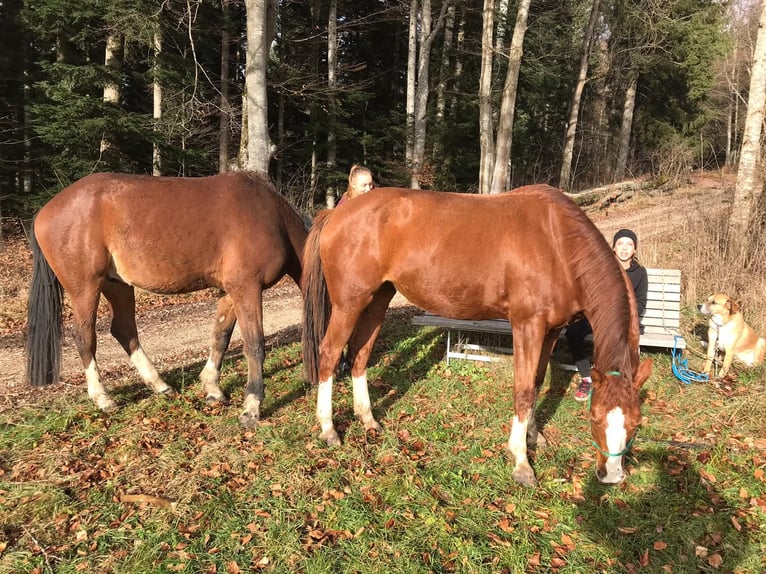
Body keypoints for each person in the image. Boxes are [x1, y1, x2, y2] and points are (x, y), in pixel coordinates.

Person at [567, 228, 648, 401]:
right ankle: (587, 378)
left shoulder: (640, 273)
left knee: (615, 339)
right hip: (598, 318)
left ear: (635, 249)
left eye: (629, 244)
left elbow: (640, 304)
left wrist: (622, 316)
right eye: (620, 243)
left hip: (624, 322)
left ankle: (619, 381)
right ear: (613, 248)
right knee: (572, 332)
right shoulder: (602, 268)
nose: (624, 248)